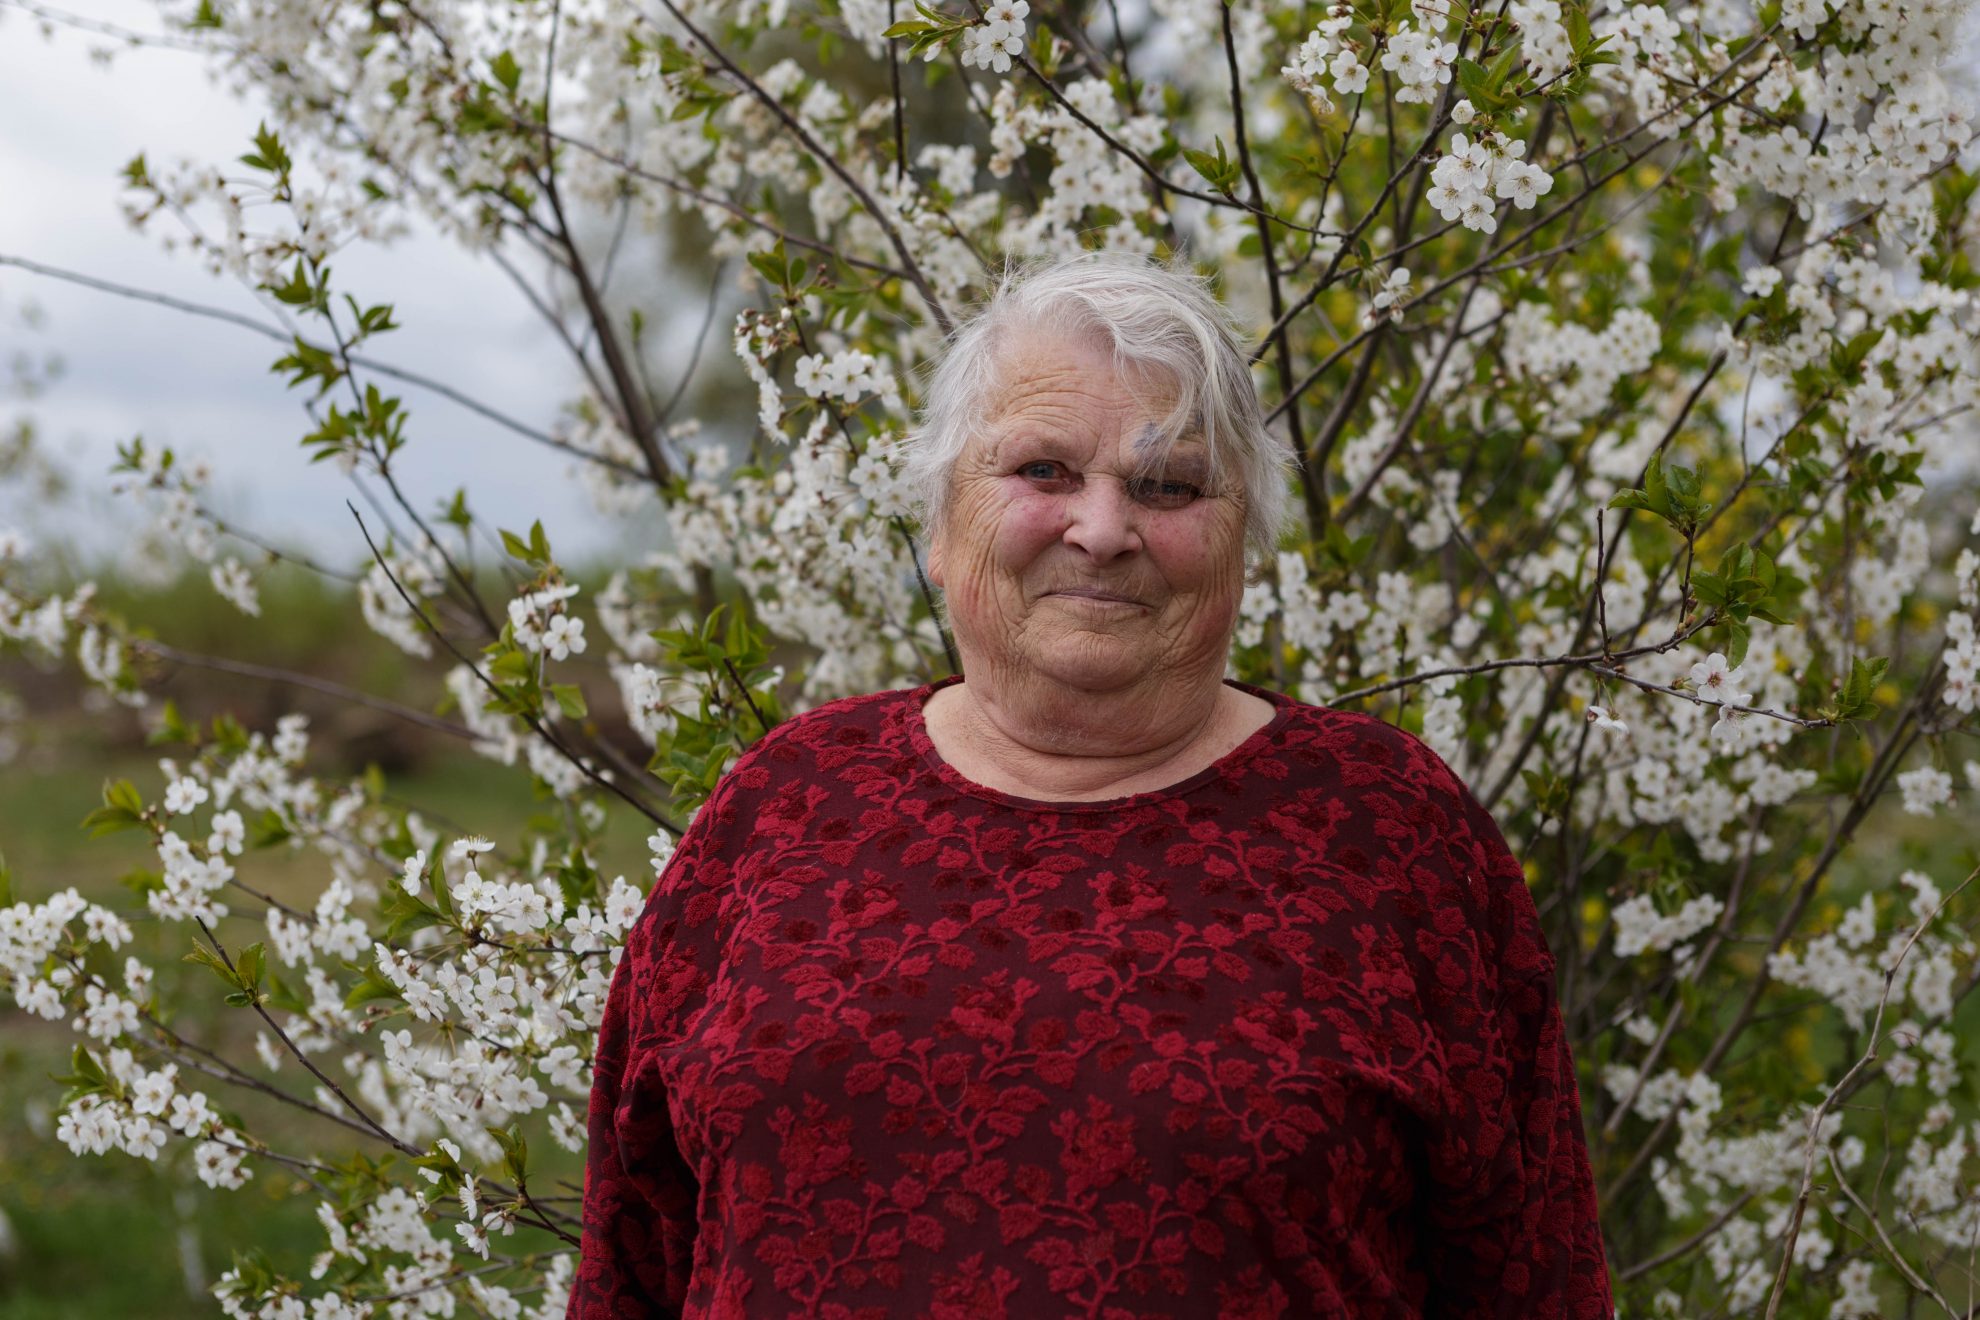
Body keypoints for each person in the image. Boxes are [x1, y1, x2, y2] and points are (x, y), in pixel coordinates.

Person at [569, 251, 1614, 1317]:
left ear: (1243, 539)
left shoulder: (1388, 836)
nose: (1104, 531)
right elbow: (628, 1263)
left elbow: (1539, 1279)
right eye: (1043, 472)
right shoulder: (782, 810)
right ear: (940, 523)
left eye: (1168, 486)